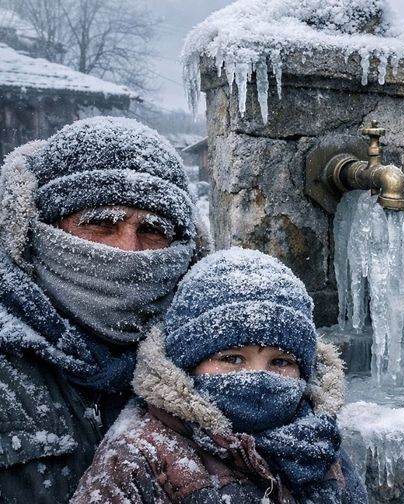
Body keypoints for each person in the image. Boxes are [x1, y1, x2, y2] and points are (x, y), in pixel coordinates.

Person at [0, 117, 207, 501]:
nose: (126, 250)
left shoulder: (213, 360)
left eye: (152, 230)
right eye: (100, 223)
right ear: (37, 229)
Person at [72, 248, 367, 503]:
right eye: (232, 359)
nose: (257, 377)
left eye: (280, 361)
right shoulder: (136, 459)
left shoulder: (318, 445)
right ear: (187, 362)